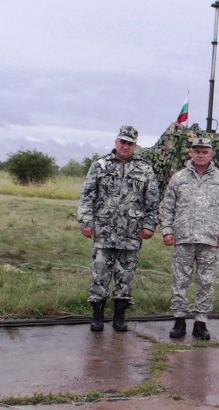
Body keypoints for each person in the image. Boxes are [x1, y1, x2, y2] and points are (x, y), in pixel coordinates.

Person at [77, 125, 159, 332]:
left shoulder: (145, 169)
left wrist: (150, 225)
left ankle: (120, 316)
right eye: (122, 142)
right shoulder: (100, 165)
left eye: (130, 143)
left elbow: (152, 200)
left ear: (135, 146)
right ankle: (97, 316)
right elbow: (87, 196)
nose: (125, 146)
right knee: (100, 274)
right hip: (103, 231)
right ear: (116, 142)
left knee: (126, 276)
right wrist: (86, 222)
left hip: (130, 233)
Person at [160, 137, 219, 340]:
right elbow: (168, 206)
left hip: (209, 240)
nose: (201, 155)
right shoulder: (179, 178)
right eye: (197, 151)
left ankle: (201, 322)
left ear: (211, 154)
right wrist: (167, 230)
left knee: (206, 282)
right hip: (183, 238)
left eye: (205, 152)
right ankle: (179, 320)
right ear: (190, 153)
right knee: (180, 281)